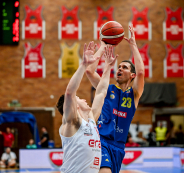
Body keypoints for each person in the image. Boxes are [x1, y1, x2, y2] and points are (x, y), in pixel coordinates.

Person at [86, 25, 145, 173]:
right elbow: (89, 70)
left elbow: (141, 72)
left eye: (124, 67)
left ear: (132, 75)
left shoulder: (134, 95)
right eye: (119, 67)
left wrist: (133, 45)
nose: (119, 69)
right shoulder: (107, 88)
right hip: (101, 141)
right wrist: (103, 45)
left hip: (119, 147)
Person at [56, 42, 116, 172]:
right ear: (75, 106)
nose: (84, 99)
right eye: (80, 99)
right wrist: (83, 65)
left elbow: (101, 92)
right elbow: (69, 93)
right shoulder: (72, 123)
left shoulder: (91, 120)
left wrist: (108, 67)